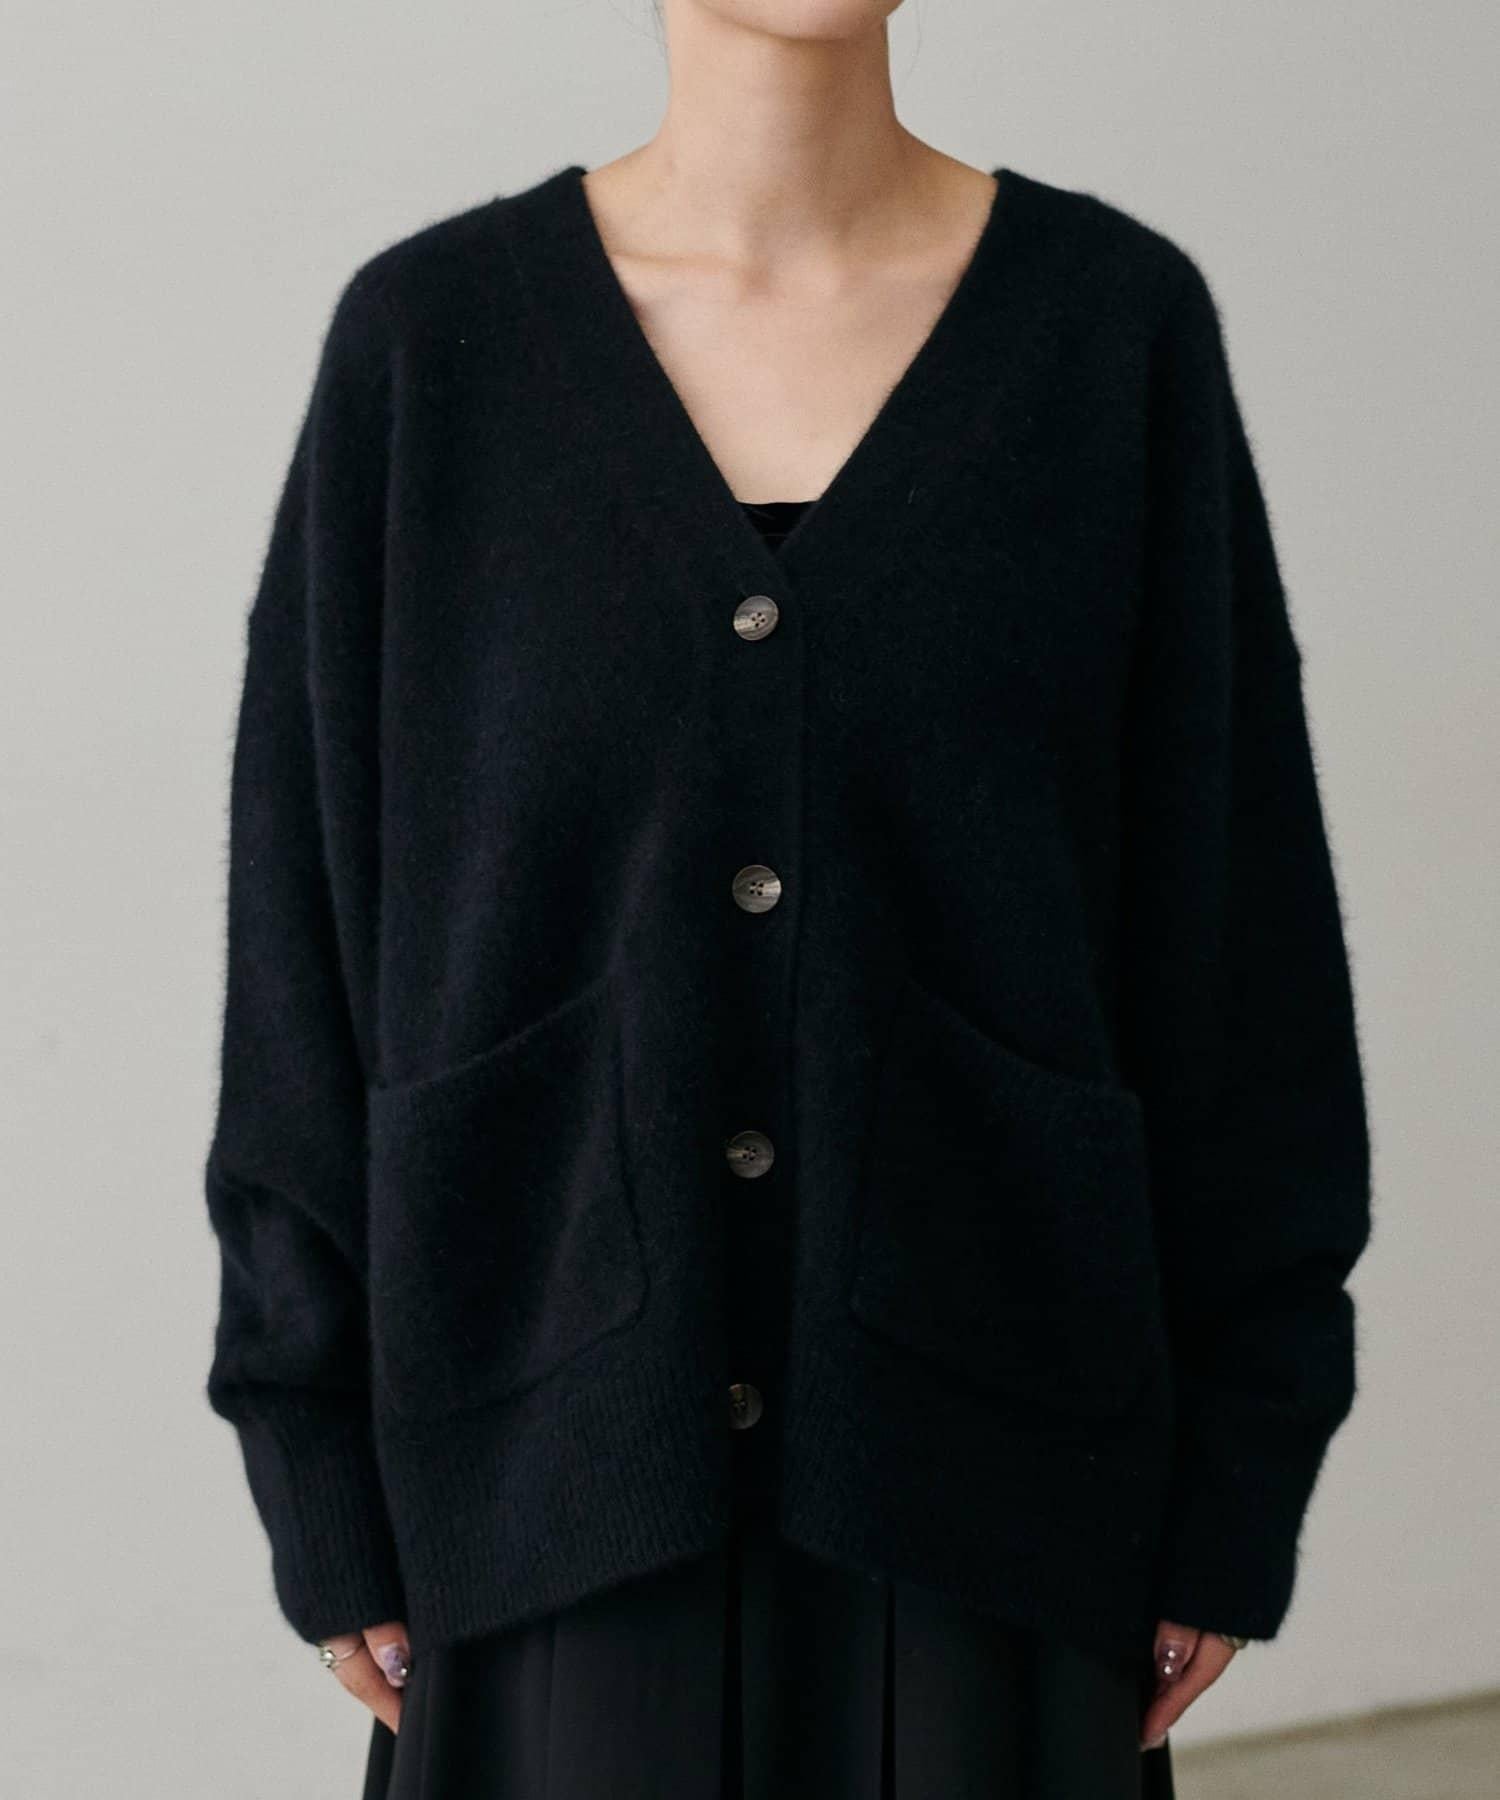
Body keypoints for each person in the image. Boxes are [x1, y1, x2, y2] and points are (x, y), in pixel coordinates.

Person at [201, 3, 1373, 1794]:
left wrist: (1242, 1468)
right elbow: (306, 945)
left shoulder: (1110, 330)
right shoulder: (432, 347)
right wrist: (313, 1459)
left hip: (1001, 1485)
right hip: (542, 1484)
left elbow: (1238, 944)